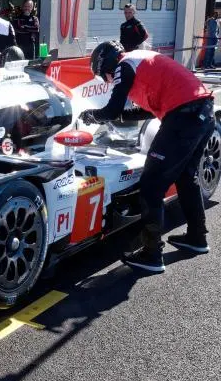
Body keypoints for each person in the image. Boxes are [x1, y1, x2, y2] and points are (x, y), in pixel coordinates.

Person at [79, 41, 214, 273]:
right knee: (186, 178)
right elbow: (145, 110)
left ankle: (152, 254)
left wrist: (92, 115)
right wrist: (116, 117)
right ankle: (197, 237)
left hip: (184, 117)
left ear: (107, 65)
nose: (108, 82)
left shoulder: (123, 65)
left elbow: (112, 109)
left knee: (152, 184)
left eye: (105, 77)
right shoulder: (140, 60)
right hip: (202, 111)